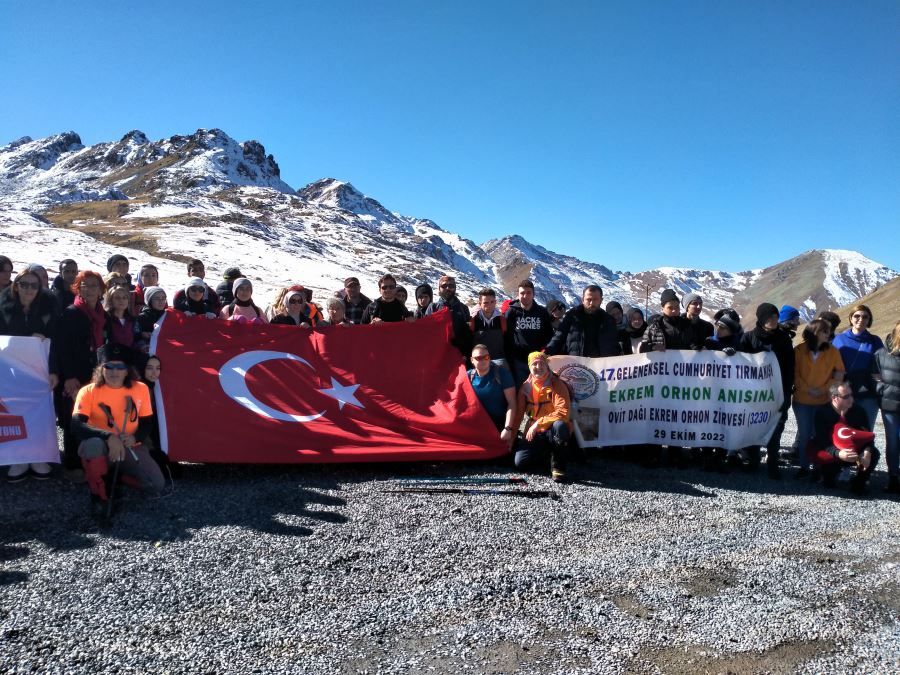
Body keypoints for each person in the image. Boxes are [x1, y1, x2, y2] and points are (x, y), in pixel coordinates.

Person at [72, 344, 165, 517]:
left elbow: (146, 423)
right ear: (101, 368)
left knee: (155, 485)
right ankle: (99, 495)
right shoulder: (88, 391)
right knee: (93, 445)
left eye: (120, 366)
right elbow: (77, 425)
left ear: (127, 370)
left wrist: (134, 437)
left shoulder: (141, 389)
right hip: (101, 447)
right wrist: (109, 437)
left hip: (130, 446)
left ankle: (116, 477)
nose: (115, 371)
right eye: (109, 366)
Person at [1, 269, 59, 482]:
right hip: (10, 372)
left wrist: (54, 370)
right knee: (13, 413)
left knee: (41, 414)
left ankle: (38, 456)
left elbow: (57, 342)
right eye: (24, 284)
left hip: (40, 370)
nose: (29, 289)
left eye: (34, 285)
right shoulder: (3, 309)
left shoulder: (48, 310)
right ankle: (18, 458)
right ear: (16, 286)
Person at [55, 271, 108, 476]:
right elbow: (62, 348)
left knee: (92, 416)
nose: (90, 289)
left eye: (94, 285)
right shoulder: (71, 313)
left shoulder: (102, 313)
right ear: (78, 288)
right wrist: (69, 377)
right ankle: (73, 462)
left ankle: (91, 459)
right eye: (84, 285)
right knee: (73, 417)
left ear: (101, 289)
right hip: (75, 375)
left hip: (95, 373)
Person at [738, 302, 795, 478]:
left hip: (777, 391)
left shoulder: (783, 339)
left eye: (776, 317)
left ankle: (772, 462)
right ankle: (751, 459)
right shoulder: (748, 338)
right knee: (752, 424)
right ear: (762, 319)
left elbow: (789, 366)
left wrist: (787, 391)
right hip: (754, 393)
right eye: (770, 317)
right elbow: (740, 365)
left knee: (776, 426)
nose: (773, 320)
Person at [792, 319, 845, 477]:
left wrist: (824, 389)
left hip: (823, 401)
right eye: (825, 331)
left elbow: (839, 373)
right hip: (802, 400)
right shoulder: (799, 350)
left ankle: (817, 467)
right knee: (804, 434)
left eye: (829, 331)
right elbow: (795, 374)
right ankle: (803, 467)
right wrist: (806, 388)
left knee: (819, 435)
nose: (829, 334)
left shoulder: (833, 351)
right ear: (815, 332)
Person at [509, 351, 572, 482]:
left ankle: (558, 469)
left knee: (560, 426)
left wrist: (538, 423)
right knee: (520, 463)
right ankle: (547, 454)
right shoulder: (525, 387)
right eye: (534, 364)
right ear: (529, 367)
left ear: (547, 365)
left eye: (541, 363)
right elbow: (518, 415)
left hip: (552, 429)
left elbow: (563, 412)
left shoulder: (557, 384)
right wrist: (512, 438)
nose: (538, 367)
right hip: (535, 432)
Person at [809, 382, 880, 493]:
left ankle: (859, 483)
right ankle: (824, 475)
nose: (851, 399)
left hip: (853, 451)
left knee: (874, 453)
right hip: (834, 451)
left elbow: (867, 436)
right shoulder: (822, 412)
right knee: (815, 450)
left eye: (851, 395)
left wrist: (867, 452)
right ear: (834, 398)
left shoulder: (859, 411)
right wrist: (838, 453)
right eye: (846, 397)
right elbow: (822, 441)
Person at [832, 304, 884, 431]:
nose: (861, 319)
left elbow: (882, 363)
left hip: (868, 393)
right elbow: (831, 365)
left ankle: (866, 451)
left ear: (869, 320)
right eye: (857, 316)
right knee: (842, 429)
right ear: (850, 318)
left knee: (866, 429)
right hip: (844, 391)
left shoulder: (875, 341)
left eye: (865, 317)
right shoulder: (838, 339)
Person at [546, 285, 620, 358]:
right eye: (589, 299)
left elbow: (613, 346)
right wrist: (546, 353)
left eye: (595, 299)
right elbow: (558, 338)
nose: (591, 303)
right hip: (576, 365)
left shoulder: (608, 320)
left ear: (601, 300)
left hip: (600, 367)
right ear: (582, 300)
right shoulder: (571, 316)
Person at [504, 280, 553, 385]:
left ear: (533, 294)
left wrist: (545, 351)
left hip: (539, 361)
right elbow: (507, 336)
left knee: (540, 388)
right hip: (519, 360)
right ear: (518, 294)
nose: (525, 296)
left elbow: (549, 334)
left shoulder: (542, 312)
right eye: (522, 293)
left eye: (528, 293)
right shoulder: (512, 312)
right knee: (522, 390)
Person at [467, 344, 516, 450]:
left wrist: (508, 428)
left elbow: (512, 403)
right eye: (479, 358)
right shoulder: (468, 376)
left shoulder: (502, 374)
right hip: (477, 424)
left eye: (486, 357)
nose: (484, 360)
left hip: (498, 424)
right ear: (472, 360)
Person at [874, 320, 900, 493]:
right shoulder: (882, 353)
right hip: (890, 404)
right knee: (892, 442)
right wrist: (882, 389)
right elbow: (874, 376)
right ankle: (893, 477)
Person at [425, 275, 473, 355]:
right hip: (439, 354)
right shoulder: (433, 308)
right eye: (444, 286)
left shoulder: (463, 308)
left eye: (451, 285)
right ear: (439, 289)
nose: (448, 288)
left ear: (455, 288)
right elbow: (426, 332)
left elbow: (468, 333)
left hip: (459, 354)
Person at [470, 288, 507, 366]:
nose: (489, 305)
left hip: (499, 363)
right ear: (479, 303)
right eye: (485, 303)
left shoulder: (502, 320)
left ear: (495, 302)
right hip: (480, 364)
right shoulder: (473, 321)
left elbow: (508, 343)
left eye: (492, 302)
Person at [103, 284, 140, 349]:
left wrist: (143, 347)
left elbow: (138, 338)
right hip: (112, 356)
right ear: (110, 300)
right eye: (117, 298)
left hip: (130, 356)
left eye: (124, 298)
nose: (121, 300)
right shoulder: (105, 319)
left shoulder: (132, 320)